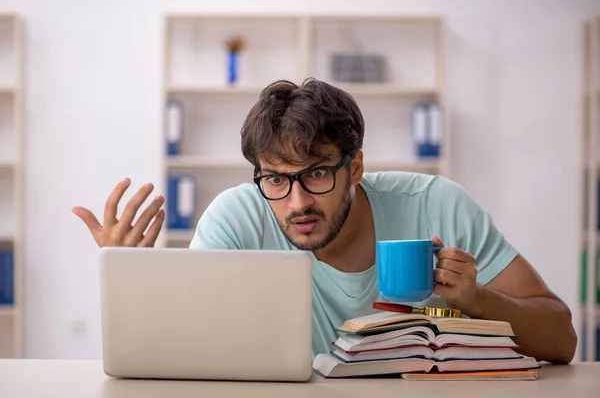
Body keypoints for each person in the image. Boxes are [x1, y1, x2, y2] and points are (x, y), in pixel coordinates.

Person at [72, 78, 577, 364]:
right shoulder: (235, 217)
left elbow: (561, 341)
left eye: (315, 174)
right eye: (274, 179)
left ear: (354, 166)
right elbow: (182, 355)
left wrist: (478, 299)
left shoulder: (437, 203)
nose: (296, 204)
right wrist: (135, 285)